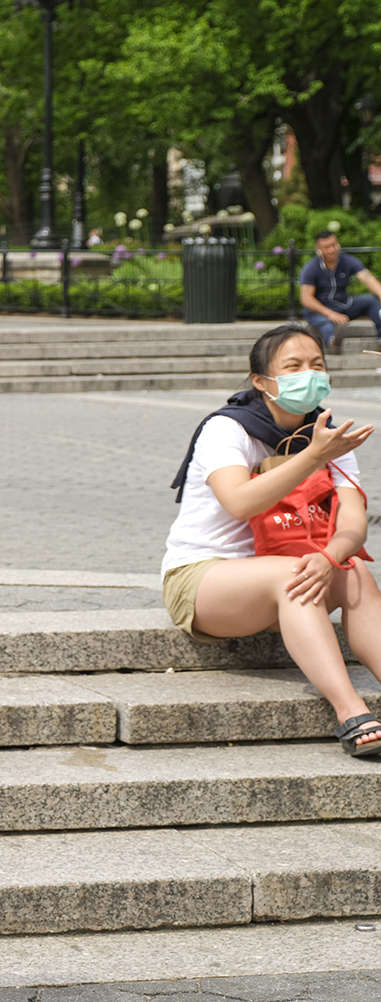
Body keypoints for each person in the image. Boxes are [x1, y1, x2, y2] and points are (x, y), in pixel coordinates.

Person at [164, 324, 381, 757]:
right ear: (261, 381)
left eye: (316, 365)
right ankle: (350, 711)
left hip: (288, 575)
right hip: (205, 579)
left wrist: (330, 557)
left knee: (354, 569)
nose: (309, 375)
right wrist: (313, 456)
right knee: (291, 575)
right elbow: (239, 502)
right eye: (293, 367)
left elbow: (353, 522)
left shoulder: (327, 433)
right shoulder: (227, 430)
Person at [297, 229, 381, 353]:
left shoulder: (347, 260)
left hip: (343, 305)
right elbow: (306, 299)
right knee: (325, 323)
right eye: (327, 247)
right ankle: (333, 342)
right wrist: (330, 314)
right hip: (320, 311)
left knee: (371, 300)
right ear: (318, 249)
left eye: (334, 245)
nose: (332, 250)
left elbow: (367, 278)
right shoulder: (310, 268)